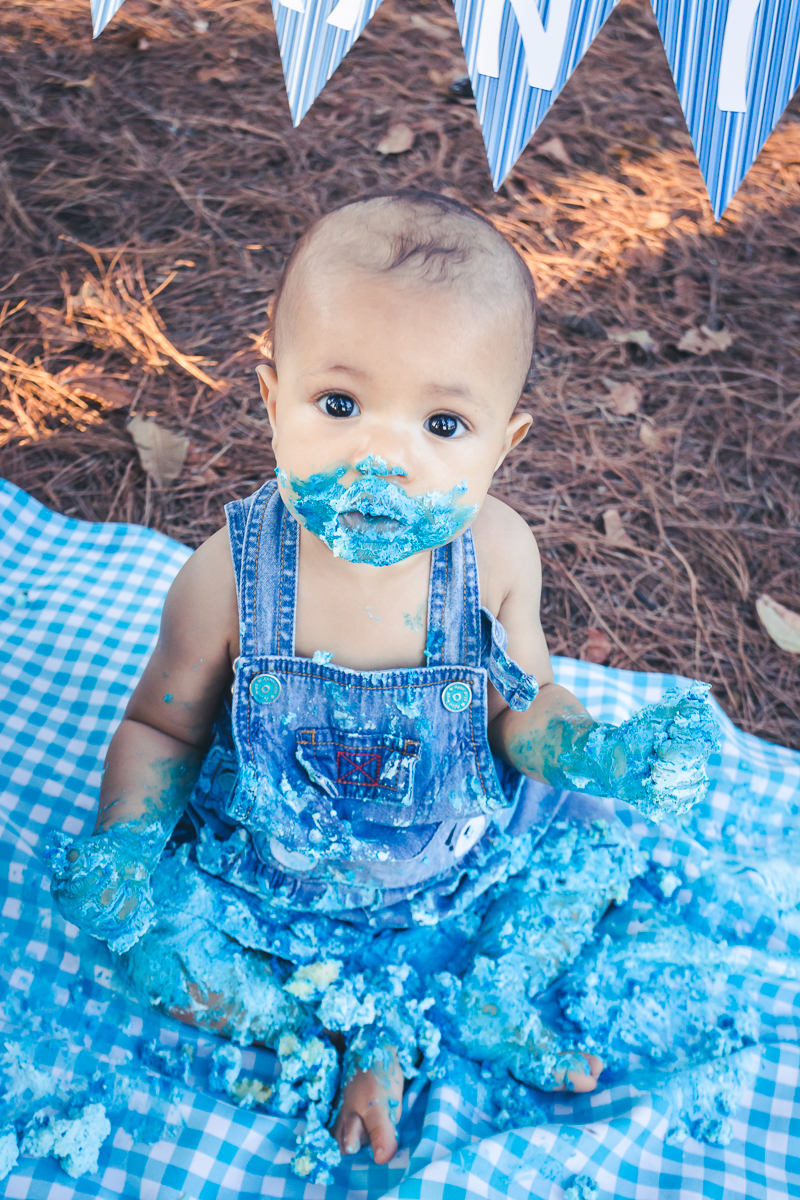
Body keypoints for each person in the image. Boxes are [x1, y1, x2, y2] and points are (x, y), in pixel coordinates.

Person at [46, 189, 718, 1172]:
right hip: (275, 885)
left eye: (443, 423)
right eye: (338, 404)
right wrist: (125, 839)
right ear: (272, 396)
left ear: (502, 446)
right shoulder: (227, 577)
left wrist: (599, 752)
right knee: (151, 945)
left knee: (589, 860)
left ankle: (490, 998)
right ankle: (304, 1031)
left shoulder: (493, 559)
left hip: (455, 866)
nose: (384, 456)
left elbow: (519, 709)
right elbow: (161, 731)